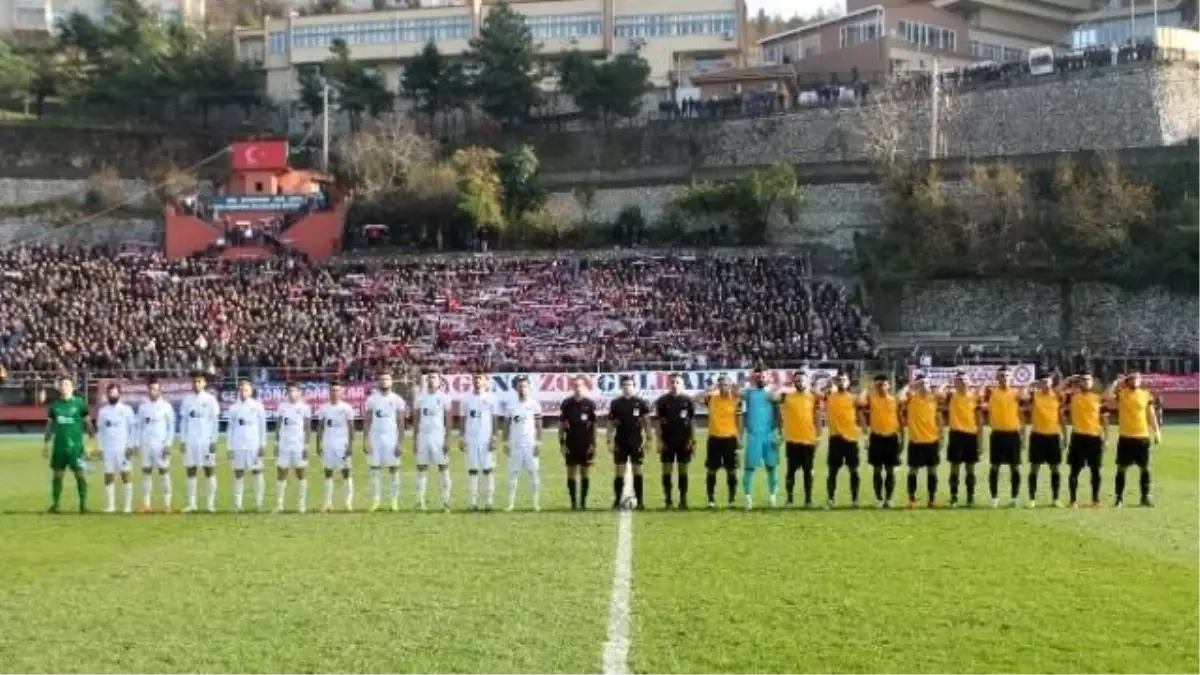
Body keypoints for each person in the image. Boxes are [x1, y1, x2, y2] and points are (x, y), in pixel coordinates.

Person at [1107, 372, 1160, 508]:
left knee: (1145, 468)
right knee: (1121, 469)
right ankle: (1119, 498)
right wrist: (1115, 382)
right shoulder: (1122, 393)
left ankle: (1145, 497)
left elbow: (1151, 414)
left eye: (1137, 378)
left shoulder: (1146, 394)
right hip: (1126, 437)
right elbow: (1107, 396)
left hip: (1142, 437)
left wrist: (1157, 432)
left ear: (1140, 380)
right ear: (1128, 381)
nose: (1135, 380)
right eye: (1132, 378)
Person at [45, 374, 93, 514]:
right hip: (59, 447)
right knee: (57, 475)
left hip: (76, 448)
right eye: (61, 385)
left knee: (80, 474)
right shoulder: (54, 406)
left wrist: (92, 442)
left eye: (66, 384)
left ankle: (83, 505)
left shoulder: (79, 404)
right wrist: (45, 444)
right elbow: (49, 427)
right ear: (58, 388)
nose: (64, 387)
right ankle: (56, 505)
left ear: (72, 387)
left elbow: (88, 424)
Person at [772, 370, 820, 508]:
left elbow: (817, 419)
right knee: (791, 471)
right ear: (794, 382)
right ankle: (790, 500)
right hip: (792, 440)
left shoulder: (812, 397)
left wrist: (818, 437)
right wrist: (780, 384)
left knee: (808, 472)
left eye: (802, 380)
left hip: (808, 441)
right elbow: (773, 397)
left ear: (807, 381)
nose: (800, 382)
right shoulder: (787, 396)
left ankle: (808, 500)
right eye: (797, 380)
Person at [363, 372, 407, 512]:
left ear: (391, 381)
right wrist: (366, 440)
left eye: (387, 379)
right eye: (381, 379)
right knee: (374, 469)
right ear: (378, 382)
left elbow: (401, 422)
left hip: (391, 438)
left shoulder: (397, 400)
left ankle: (394, 501)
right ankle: (376, 500)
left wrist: (400, 442)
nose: (384, 381)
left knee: (394, 469)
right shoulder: (371, 400)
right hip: (375, 437)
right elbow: (367, 421)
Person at [179, 371, 221, 513]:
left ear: (204, 383)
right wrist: (183, 440)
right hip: (191, 440)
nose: (196, 384)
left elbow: (215, 422)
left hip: (206, 441)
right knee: (191, 470)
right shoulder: (187, 400)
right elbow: (184, 422)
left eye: (199, 382)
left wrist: (213, 440)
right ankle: (192, 504)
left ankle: (210, 504)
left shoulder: (210, 400)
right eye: (194, 382)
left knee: (209, 470)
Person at [607, 376, 651, 510]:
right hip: (620, 441)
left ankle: (641, 501)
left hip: (636, 442)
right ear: (621, 387)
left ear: (634, 386)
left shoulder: (641, 402)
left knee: (638, 471)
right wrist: (609, 440)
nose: (627, 387)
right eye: (625, 385)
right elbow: (610, 422)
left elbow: (646, 422)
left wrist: (649, 439)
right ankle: (617, 500)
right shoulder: (615, 403)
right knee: (619, 472)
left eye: (630, 385)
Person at [697, 374, 740, 509]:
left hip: (730, 439)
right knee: (711, 470)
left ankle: (732, 499)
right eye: (720, 385)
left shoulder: (736, 400)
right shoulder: (711, 398)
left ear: (730, 386)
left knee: (731, 471)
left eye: (726, 385)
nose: (723, 387)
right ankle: (711, 499)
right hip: (714, 439)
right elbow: (695, 399)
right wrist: (709, 389)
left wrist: (740, 438)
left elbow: (740, 420)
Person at [1065, 372, 1106, 507]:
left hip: (1094, 438)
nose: (1086, 382)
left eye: (1088, 379)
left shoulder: (1098, 398)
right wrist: (1069, 379)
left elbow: (1104, 419)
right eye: (1083, 380)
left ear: (1092, 382)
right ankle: (1072, 501)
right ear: (1079, 382)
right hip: (1078, 438)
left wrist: (1106, 437)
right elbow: (1058, 392)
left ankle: (1095, 500)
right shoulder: (1071, 396)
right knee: (1075, 470)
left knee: (1095, 470)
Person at [654, 374, 696, 510]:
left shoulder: (688, 401)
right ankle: (668, 500)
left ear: (683, 385)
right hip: (667, 441)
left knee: (683, 471)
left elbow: (692, 422)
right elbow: (658, 423)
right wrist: (659, 441)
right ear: (668, 384)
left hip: (684, 441)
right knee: (667, 470)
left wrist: (693, 440)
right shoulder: (662, 401)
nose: (675, 384)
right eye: (672, 382)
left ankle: (683, 500)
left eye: (678, 382)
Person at [136, 377, 177, 513]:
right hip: (147, 445)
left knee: (163, 472)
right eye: (150, 389)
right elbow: (140, 427)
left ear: (160, 391)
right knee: (146, 473)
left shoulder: (166, 407)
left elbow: (171, 428)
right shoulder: (143, 407)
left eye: (155, 389)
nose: (152, 391)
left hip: (161, 445)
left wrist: (168, 444)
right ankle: (146, 504)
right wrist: (138, 444)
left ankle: (167, 503)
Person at [985, 366, 1024, 508]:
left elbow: (1021, 411)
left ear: (1011, 377)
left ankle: (1014, 497)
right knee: (995, 467)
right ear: (997, 378)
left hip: (1013, 434)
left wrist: (1023, 433)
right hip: (997, 434)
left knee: (1015, 467)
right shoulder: (990, 393)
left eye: (1007, 375)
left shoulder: (1016, 394)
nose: (1004, 378)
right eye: (1001, 375)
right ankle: (994, 498)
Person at [502, 376, 543, 512]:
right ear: (516, 388)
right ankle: (510, 503)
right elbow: (507, 425)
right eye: (520, 386)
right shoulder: (511, 405)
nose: (522, 389)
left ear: (529, 388)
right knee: (513, 473)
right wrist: (505, 442)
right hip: (516, 444)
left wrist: (539, 442)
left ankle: (535, 504)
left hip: (530, 444)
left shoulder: (534, 405)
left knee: (534, 473)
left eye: (525, 386)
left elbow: (539, 426)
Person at [227, 378, 268, 512]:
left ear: (251, 391)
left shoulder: (257, 406)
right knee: (238, 473)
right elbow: (230, 428)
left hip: (254, 445)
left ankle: (259, 504)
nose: (243, 392)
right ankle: (238, 505)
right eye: (241, 389)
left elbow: (263, 427)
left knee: (257, 472)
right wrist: (229, 447)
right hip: (238, 444)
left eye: (246, 390)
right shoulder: (233, 408)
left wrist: (262, 444)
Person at [414, 372, 453, 512]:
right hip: (423, 437)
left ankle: (446, 502)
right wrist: (415, 440)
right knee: (421, 468)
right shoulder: (420, 398)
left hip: (438, 437)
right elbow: (416, 421)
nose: (431, 379)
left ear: (439, 381)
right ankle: (419, 502)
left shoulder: (445, 398)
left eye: (434, 377)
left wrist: (447, 439)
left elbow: (448, 421)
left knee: (443, 468)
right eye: (429, 377)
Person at [740, 367, 778, 510]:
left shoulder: (772, 393)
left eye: (764, 376)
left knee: (771, 467)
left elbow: (783, 397)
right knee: (749, 468)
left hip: (770, 435)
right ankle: (748, 497)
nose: (761, 378)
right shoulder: (749, 393)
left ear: (768, 377)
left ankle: (772, 496)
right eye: (758, 376)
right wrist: (747, 378)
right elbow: (734, 391)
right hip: (754, 436)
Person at [944, 370, 983, 508]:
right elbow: (937, 395)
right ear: (955, 383)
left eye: (965, 380)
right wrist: (945, 385)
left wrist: (980, 441)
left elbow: (979, 421)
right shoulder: (950, 396)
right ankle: (954, 497)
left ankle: (970, 497)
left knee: (970, 468)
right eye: (959, 380)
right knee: (954, 467)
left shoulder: (975, 397)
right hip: (956, 435)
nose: (963, 382)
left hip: (971, 436)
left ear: (969, 382)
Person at [1026, 371, 1065, 508]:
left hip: (1053, 436)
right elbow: (1024, 395)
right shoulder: (1034, 395)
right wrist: (1031, 385)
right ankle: (1032, 499)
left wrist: (1064, 435)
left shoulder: (1057, 396)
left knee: (1055, 468)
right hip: (1037, 436)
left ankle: (1055, 498)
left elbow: (1060, 417)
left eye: (1048, 381)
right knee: (1034, 467)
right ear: (1039, 383)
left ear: (1051, 381)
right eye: (1043, 381)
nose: (1046, 383)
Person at [316, 381, 357, 512]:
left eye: (337, 390)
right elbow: (320, 427)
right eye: (332, 390)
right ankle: (327, 502)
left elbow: (351, 429)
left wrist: (350, 446)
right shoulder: (324, 408)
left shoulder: (347, 408)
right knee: (328, 473)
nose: (334, 393)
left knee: (346, 472)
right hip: (328, 444)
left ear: (342, 392)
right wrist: (318, 444)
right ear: (329, 392)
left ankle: (348, 502)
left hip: (342, 445)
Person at [462, 374, 500, 511]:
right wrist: (462, 438)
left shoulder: (492, 399)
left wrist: (494, 437)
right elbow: (463, 420)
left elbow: (495, 420)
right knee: (472, 470)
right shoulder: (467, 400)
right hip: (471, 439)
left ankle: (489, 502)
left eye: (480, 378)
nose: (477, 381)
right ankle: (472, 503)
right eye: (475, 378)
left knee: (488, 470)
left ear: (485, 382)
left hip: (486, 439)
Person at [902, 374, 941, 508]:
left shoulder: (934, 399)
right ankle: (911, 500)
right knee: (913, 470)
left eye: (926, 383)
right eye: (921, 383)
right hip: (916, 441)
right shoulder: (911, 398)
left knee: (932, 471)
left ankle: (932, 500)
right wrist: (910, 386)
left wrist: (941, 436)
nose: (923, 385)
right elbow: (898, 397)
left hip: (931, 440)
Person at [96, 383, 136, 514]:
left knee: (126, 475)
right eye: (109, 393)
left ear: (119, 394)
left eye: (114, 392)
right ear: (106, 395)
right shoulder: (103, 411)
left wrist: (130, 446)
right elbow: (100, 431)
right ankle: (111, 506)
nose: (111, 395)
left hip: (123, 448)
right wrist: (100, 448)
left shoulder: (127, 410)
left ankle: (127, 506)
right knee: (108, 476)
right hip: (108, 449)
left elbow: (132, 429)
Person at [560, 376, 598, 510]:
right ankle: (573, 502)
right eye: (575, 385)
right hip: (571, 443)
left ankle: (583, 502)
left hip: (586, 443)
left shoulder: (590, 404)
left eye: (580, 385)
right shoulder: (566, 403)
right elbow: (561, 426)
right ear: (572, 387)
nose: (577, 388)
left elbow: (594, 426)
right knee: (571, 473)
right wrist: (562, 443)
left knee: (584, 473)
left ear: (584, 387)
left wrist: (594, 444)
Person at [862, 374, 901, 508]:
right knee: (877, 470)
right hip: (876, 438)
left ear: (889, 385)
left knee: (890, 470)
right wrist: (869, 388)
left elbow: (900, 421)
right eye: (878, 385)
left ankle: (889, 499)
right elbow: (859, 403)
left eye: (884, 384)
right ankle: (879, 498)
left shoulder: (895, 400)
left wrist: (902, 439)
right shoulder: (871, 399)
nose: (881, 387)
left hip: (892, 438)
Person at [824, 373, 862, 508]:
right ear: (835, 382)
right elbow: (816, 392)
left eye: (844, 380)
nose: (841, 382)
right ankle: (830, 499)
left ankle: (855, 499)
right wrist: (829, 383)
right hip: (835, 438)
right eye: (838, 380)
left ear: (848, 382)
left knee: (854, 470)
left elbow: (862, 412)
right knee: (833, 471)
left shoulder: (854, 399)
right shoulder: (829, 396)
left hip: (851, 439)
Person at [274, 382, 312, 513]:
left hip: (298, 445)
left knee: (301, 474)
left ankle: (301, 505)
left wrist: (306, 446)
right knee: (281, 474)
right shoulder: (282, 407)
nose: (291, 394)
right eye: (289, 391)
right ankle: (279, 504)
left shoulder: (305, 408)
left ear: (299, 392)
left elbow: (307, 428)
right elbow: (278, 426)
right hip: (284, 445)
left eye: (294, 391)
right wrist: (276, 444)